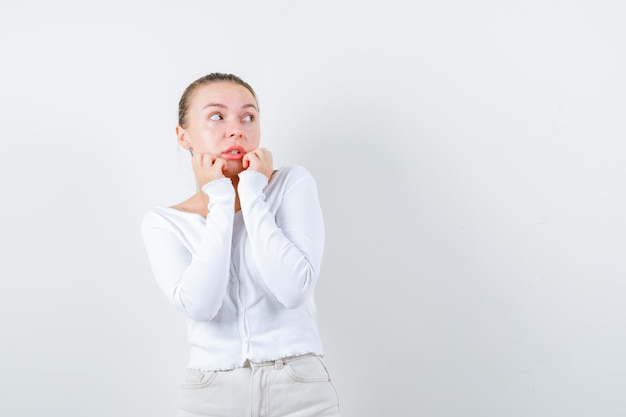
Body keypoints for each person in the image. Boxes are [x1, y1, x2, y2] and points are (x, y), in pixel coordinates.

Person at [141, 73, 341, 417]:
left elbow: (294, 290)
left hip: (300, 389)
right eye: (217, 116)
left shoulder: (291, 185)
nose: (236, 129)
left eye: (248, 117)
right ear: (183, 135)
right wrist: (220, 198)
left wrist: (250, 192)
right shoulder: (164, 222)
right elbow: (201, 306)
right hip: (211, 393)